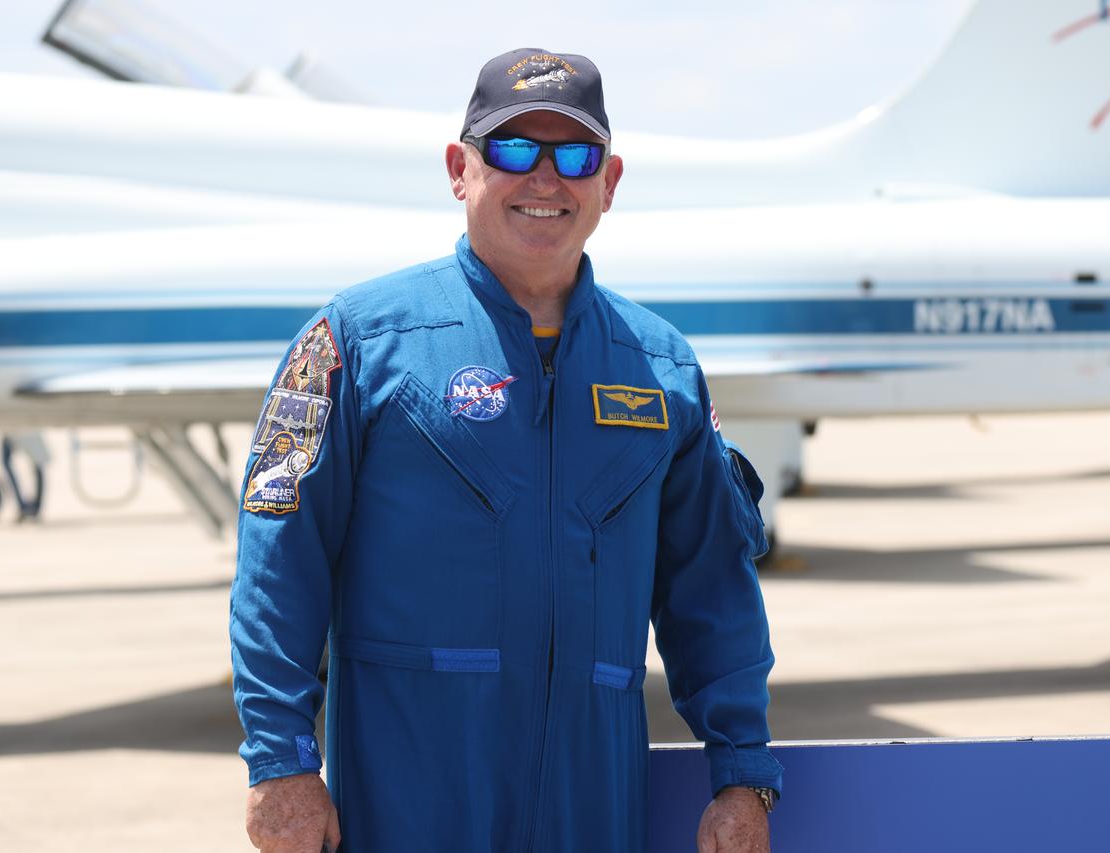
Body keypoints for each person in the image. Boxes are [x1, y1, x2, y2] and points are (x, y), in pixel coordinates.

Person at [231, 48, 783, 853]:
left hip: (593, 807)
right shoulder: (358, 342)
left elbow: (714, 589)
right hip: (408, 804)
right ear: (461, 169)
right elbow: (280, 559)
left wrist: (743, 771)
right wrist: (280, 762)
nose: (546, 179)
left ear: (611, 181)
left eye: (576, 155)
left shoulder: (662, 369)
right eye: (515, 149)